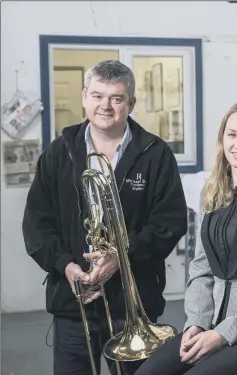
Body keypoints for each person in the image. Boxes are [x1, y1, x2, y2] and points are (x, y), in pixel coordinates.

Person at [22, 60, 188, 375]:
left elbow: (170, 222)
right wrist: (67, 267)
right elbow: (36, 225)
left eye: (116, 98)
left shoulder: (156, 153)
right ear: (84, 97)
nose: (105, 106)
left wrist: (121, 255)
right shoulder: (57, 154)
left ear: (131, 103)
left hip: (134, 302)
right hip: (74, 303)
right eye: (97, 96)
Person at [135, 99, 237, 375]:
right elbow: (201, 268)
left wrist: (224, 333)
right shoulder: (213, 192)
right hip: (214, 324)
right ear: (222, 138)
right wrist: (196, 323)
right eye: (232, 134)